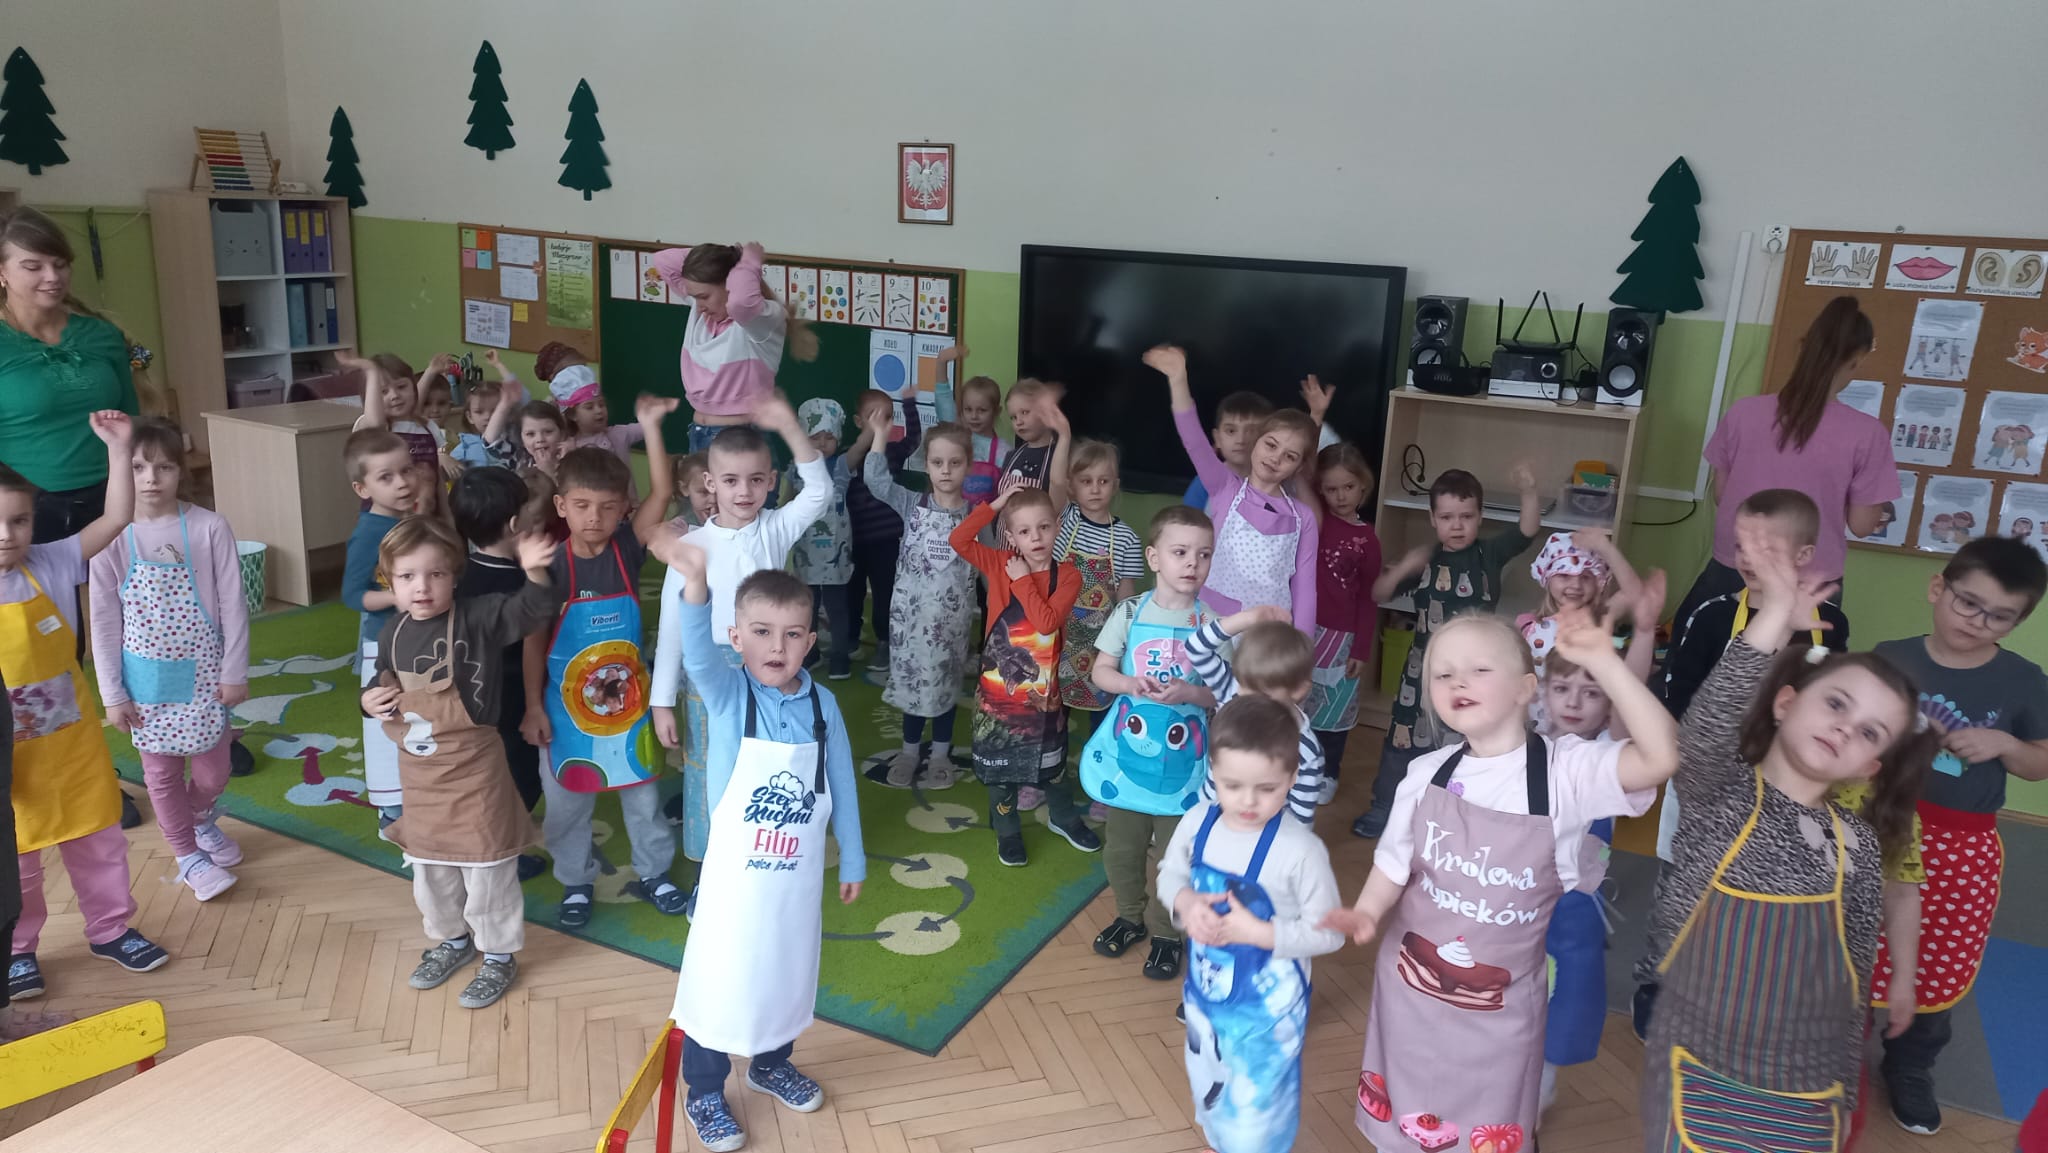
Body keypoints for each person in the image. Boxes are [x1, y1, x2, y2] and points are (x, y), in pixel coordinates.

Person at [1321, 608, 1677, 1153]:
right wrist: (1366, 912)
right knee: (1404, 1129)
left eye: (1479, 669)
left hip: (1501, 1009)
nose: (1457, 681)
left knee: (1487, 1134)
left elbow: (1661, 756)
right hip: (1410, 995)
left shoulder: (1568, 773)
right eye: (1443, 673)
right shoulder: (1425, 775)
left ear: (1526, 689)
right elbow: (1394, 863)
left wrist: (1606, 663)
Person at [1635, 524, 1935, 1151]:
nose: (1846, 728)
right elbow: (1709, 722)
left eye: (1870, 732)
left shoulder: (1857, 845)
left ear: (1868, 767)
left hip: (1806, 1094)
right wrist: (1773, 615)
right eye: (1837, 704)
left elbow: (1853, 978)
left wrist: (1843, 1099)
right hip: (1701, 1074)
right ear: (1785, 703)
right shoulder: (1720, 791)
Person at [654, 539, 864, 1153]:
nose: (778, 647)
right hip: (732, 882)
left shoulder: (824, 705)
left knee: (785, 970)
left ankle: (771, 1064)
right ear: (736, 637)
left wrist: (851, 856)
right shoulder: (727, 693)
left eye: (793, 634)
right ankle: (704, 1089)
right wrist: (695, 582)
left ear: (811, 640)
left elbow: (841, 783)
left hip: (794, 878)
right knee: (720, 980)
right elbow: (695, 647)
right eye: (762, 632)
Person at [1867, 537, 2048, 1136]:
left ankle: (1911, 1065)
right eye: (1968, 603)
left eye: (2000, 616)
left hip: (1961, 847)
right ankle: (1835, 1049)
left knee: (1935, 964)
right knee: (1853, 944)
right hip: (1876, 825)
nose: (1978, 622)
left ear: (2018, 622)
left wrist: (2006, 744)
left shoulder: (2023, 679)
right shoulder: (1889, 657)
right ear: (1937, 589)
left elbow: (2040, 763)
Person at [6, 411, 174, 1002]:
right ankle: (17, 950)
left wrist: (119, 449)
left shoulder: (50, 562)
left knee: (98, 842)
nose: (7, 534)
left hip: (73, 746)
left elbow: (116, 518)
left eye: (19, 520)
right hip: (11, 764)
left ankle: (110, 929)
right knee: (18, 863)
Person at [362, 517, 557, 1010]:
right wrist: (369, 700)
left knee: (488, 869)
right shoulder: (392, 632)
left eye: (435, 574)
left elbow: (533, 610)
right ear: (390, 581)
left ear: (454, 575)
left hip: (475, 772)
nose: (422, 587)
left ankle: (499, 955)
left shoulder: (479, 617)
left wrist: (535, 572)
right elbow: (380, 680)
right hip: (421, 778)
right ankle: (452, 940)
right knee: (430, 872)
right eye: (407, 577)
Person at [1159, 695, 1343, 1153]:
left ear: (1292, 778)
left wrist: (1263, 934)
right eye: (1232, 785)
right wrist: (1184, 900)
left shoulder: (1300, 851)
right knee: (1210, 1086)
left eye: (1266, 788)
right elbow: (1170, 874)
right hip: (1206, 999)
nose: (1247, 801)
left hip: (1269, 1015)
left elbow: (1330, 932)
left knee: (1256, 1115)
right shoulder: (1197, 822)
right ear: (1213, 772)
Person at [648, 394, 829, 860]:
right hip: (708, 672)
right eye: (730, 480)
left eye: (755, 480)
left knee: (767, 760)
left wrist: (789, 427)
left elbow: (819, 493)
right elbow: (672, 627)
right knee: (707, 766)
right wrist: (661, 701)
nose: (743, 491)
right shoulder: (692, 545)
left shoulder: (775, 528)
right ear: (710, 483)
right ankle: (709, 867)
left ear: (771, 481)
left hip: (769, 665)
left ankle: (759, 855)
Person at [87, 418, 250, 901]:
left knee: (214, 773)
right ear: (121, 471)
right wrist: (112, 694)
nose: (151, 478)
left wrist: (234, 672)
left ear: (182, 471)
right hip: (145, 684)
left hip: (206, 674)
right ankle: (186, 854)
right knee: (160, 776)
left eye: (164, 467)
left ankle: (197, 817)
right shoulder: (108, 537)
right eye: (138, 467)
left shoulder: (209, 527)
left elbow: (234, 605)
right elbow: (103, 621)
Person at [520, 429, 675, 928]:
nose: (595, 518)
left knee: (644, 797)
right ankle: (576, 880)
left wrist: (651, 427)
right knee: (567, 804)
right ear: (561, 506)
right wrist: (533, 707)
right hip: (564, 715)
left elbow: (663, 492)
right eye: (583, 506)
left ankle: (654, 873)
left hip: (629, 709)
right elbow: (533, 642)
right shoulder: (550, 567)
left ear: (624, 509)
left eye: (608, 508)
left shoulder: (627, 549)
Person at [1677, 295, 1899, 627]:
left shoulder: (1744, 412)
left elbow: (1722, 495)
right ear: (1857, 359)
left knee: (1707, 652)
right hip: (1810, 580)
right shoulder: (1868, 433)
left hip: (1737, 565)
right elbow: (1863, 525)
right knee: (1794, 661)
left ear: (1803, 347)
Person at [1354, 464, 1541, 838]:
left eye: (1466, 517)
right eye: (1447, 517)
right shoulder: (1426, 559)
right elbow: (1377, 594)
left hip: (1476, 671)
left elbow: (1527, 530)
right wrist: (1404, 567)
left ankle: (1450, 814)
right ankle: (1385, 806)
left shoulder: (1489, 553)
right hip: (1424, 668)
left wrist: (1529, 489)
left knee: (1465, 740)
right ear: (1433, 519)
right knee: (1403, 736)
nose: (1457, 525)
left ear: (1480, 517)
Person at [1083, 504, 1220, 981]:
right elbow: (1100, 670)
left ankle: (1166, 933)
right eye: (1180, 552)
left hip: (1183, 765)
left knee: (1174, 857)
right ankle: (1129, 917)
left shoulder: (1213, 623)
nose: (1192, 563)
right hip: (1129, 762)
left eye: (1203, 554)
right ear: (1154, 558)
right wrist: (1128, 685)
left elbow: (1223, 691)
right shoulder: (1129, 611)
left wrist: (1191, 694)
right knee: (1121, 850)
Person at [951, 479, 1096, 866]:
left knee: (1053, 766)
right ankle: (1007, 829)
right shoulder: (1000, 563)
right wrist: (996, 504)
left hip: (1044, 695)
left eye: (1044, 527)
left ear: (1057, 527)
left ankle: (1063, 818)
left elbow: (1046, 623)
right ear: (1012, 536)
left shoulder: (1068, 576)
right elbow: (958, 540)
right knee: (1000, 768)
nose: (1036, 538)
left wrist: (1022, 581)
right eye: (1025, 531)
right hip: (997, 695)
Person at [1150, 346, 1320, 633]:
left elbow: (1305, 588)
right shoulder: (1224, 487)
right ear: (1256, 442)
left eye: (1290, 456)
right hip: (1213, 625)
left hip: (1268, 633)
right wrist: (1178, 379)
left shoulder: (1304, 517)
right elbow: (1193, 439)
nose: (1276, 458)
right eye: (1271, 445)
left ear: (1298, 466)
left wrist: (1302, 647)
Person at [0, 208, 143, 544]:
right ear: (2, 272)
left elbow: (131, 419)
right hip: (25, 512)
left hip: (114, 500)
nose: (52, 276)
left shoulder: (102, 335)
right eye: (33, 266)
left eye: (61, 264)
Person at [1659, 488, 1851, 724]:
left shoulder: (1829, 621)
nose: (1748, 558)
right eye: (1741, 547)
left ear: (1802, 555)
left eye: (1764, 550)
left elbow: (1836, 695)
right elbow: (1679, 695)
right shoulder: (1711, 615)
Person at [857, 411, 976, 788]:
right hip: (911, 622)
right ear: (926, 465)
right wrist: (879, 435)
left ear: (968, 465)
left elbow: (991, 567)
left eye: (955, 463)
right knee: (912, 687)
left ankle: (940, 754)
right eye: (937, 462)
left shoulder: (976, 516)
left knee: (945, 688)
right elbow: (876, 481)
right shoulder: (912, 504)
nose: (946, 471)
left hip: (951, 625)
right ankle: (909, 752)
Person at [452, 467, 549, 881]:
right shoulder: (524, 582)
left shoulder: (458, 574)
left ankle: (484, 847)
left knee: (485, 778)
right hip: (513, 700)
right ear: (514, 525)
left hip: (471, 699)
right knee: (522, 779)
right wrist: (534, 706)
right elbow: (532, 647)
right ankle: (497, 855)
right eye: (528, 510)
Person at [649, 242, 818, 453]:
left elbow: (741, 303)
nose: (698, 305)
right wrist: (729, 256)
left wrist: (747, 262)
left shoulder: (759, 320)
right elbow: (663, 261)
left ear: (731, 284)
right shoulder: (702, 311)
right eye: (694, 297)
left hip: (741, 440)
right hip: (699, 433)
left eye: (704, 297)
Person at [342, 428, 418, 826]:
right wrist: (395, 598)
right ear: (362, 488)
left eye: (407, 470)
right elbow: (353, 595)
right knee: (386, 723)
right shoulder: (368, 532)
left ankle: (419, 799)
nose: (402, 482)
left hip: (416, 640)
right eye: (386, 477)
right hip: (383, 646)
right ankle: (392, 811)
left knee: (417, 719)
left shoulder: (409, 520)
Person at [1054, 439, 1143, 746]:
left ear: (1115, 485)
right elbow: (1055, 482)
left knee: (1102, 716)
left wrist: (1126, 643)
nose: (1095, 489)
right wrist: (1063, 433)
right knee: (1052, 711)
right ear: (1071, 486)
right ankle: (1049, 765)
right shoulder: (1064, 519)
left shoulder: (1127, 539)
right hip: (1058, 637)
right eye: (1086, 481)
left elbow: (1127, 598)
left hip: (1100, 643)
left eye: (1103, 482)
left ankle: (1097, 767)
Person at [1308, 443, 1382, 803]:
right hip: (1304, 629)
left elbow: (1369, 597)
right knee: (1300, 705)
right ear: (1320, 490)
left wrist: (1361, 649)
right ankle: (1298, 767)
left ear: (1363, 485)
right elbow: (1301, 472)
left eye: (1348, 487)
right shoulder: (1314, 519)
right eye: (1331, 488)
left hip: (1342, 638)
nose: (1340, 496)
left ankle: (1328, 773)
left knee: (1334, 710)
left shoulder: (1368, 539)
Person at [844, 390, 922, 674]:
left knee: (884, 593)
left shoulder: (893, 452)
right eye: (873, 417)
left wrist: (909, 404)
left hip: (886, 540)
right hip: (853, 539)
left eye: (886, 418)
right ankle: (850, 638)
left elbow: (914, 439)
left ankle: (885, 641)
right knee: (851, 592)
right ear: (858, 421)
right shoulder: (850, 456)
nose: (880, 424)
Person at [790, 398, 854, 679]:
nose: (823, 443)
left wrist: (873, 429)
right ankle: (810, 652)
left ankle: (840, 656)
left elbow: (860, 449)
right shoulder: (796, 467)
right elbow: (788, 500)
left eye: (829, 437)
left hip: (836, 552)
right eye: (816, 436)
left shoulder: (840, 465)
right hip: (806, 550)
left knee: (837, 606)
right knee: (808, 605)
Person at [1181, 391, 1275, 513]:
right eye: (1231, 431)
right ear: (1217, 439)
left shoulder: (1280, 484)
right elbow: (1187, 521)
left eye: (1252, 431)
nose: (1241, 440)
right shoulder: (1204, 482)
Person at [450, 349, 526, 471]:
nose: (487, 417)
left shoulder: (514, 437)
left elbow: (518, 394)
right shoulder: (465, 447)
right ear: (469, 417)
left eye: (495, 411)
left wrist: (498, 365)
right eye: (479, 412)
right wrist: (442, 457)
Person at [948, 373, 1009, 507]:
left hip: (988, 517)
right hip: (954, 514)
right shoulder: (957, 441)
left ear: (996, 411)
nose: (974, 416)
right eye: (968, 409)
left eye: (982, 410)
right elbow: (943, 399)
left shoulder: (1003, 451)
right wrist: (942, 364)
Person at [518, 400, 570, 478]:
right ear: (521, 438)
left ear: (562, 435)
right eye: (530, 434)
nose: (540, 439)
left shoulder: (571, 463)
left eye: (548, 432)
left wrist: (549, 472)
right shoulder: (522, 465)